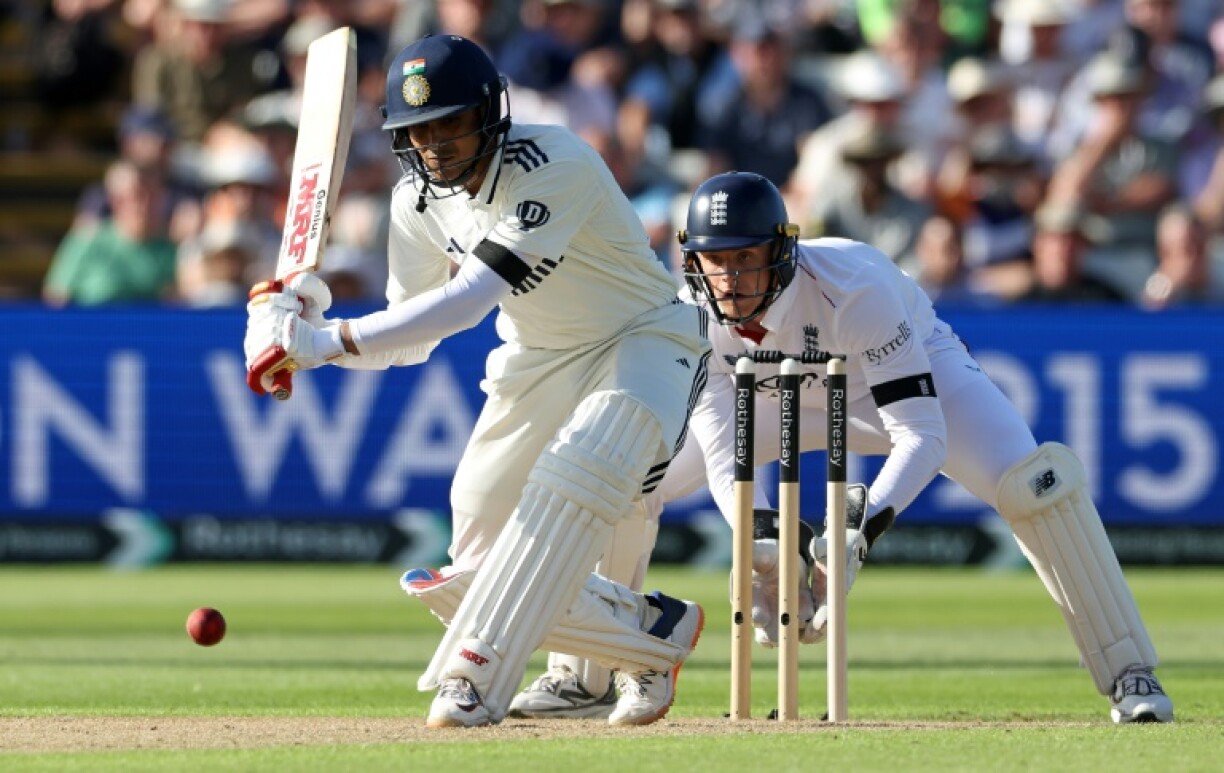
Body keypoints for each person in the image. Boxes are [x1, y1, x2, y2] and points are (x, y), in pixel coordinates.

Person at [514, 171, 1175, 724]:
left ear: (781, 250)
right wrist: (761, 540)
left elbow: (922, 433)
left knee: (1040, 485)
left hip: (884, 383)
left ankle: (1131, 674)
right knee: (631, 479)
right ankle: (588, 675)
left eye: (746, 259)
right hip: (771, 400)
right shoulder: (692, 308)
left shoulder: (854, 286)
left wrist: (856, 530)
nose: (731, 280)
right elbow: (724, 452)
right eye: (718, 261)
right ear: (693, 259)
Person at [241, 34, 710, 728]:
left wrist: (323, 341)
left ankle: (474, 677)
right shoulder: (416, 205)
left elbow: (466, 303)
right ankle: (643, 639)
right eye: (418, 133)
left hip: (645, 337)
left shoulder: (556, 162)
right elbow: (410, 337)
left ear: (491, 113)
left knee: (588, 462)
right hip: (538, 355)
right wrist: (309, 323)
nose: (437, 146)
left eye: (451, 124)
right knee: (473, 562)